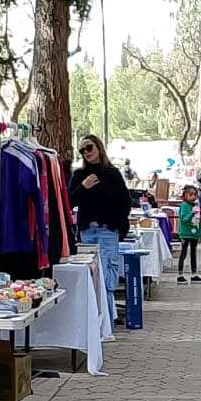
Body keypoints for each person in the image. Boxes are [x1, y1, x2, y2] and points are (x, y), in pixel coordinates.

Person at [70, 134, 132, 316]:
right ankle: (93, 320)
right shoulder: (79, 175)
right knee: (90, 277)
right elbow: (69, 201)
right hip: (87, 232)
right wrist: (83, 186)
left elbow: (125, 202)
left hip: (107, 230)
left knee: (106, 277)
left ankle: (107, 321)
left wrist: (114, 223)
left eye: (89, 147)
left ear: (98, 147)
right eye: (82, 150)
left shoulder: (112, 174)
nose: (86, 152)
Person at [175, 184, 201, 284]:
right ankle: (180, 275)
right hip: (185, 233)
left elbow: (199, 221)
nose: (193, 197)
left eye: (195, 195)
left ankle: (194, 274)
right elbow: (184, 219)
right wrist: (191, 213)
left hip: (194, 234)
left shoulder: (196, 206)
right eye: (191, 195)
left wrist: (200, 233)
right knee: (183, 253)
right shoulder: (184, 206)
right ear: (185, 195)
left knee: (193, 253)